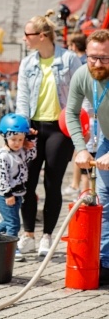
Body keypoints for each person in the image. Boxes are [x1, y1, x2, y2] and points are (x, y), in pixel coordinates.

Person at [15, 10, 82, 256]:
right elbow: (22, 97)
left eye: (27, 34)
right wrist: (22, 127)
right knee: (27, 182)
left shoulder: (69, 59)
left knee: (52, 184)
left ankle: (47, 236)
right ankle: (28, 234)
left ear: (42, 36)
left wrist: (81, 129)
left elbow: (80, 93)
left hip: (59, 129)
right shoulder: (27, 62)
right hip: (33, 128)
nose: (24, 39)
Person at [65, 29, 109, 285]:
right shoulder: (83, 74)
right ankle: (104, 263)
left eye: (104, 58)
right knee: (103, 200)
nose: (97, 63)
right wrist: (81, 148)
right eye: (92, 57)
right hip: (105, 139)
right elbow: (70, 113)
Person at [0, 113, 37, 262]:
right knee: (13, 224)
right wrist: (8, 194)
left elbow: (32, 156)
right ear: (4, 136)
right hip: (5, 196)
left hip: (18, 194)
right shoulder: (3, 156)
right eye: (13, 139)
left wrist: (31, 140)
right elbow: (2, 177)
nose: (17, 143)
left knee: (9, 222)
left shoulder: (21, 151)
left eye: (20, 139)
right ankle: (12, 249)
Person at [62, 33, 96, 196]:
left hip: (91, 118)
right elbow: (72, 111)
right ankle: (82, 189)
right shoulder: (82, 70)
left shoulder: (81, 63)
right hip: (87, 117)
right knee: (82, 151)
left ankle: (81, 188)